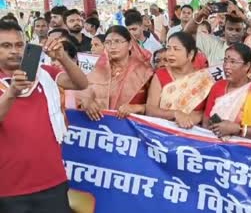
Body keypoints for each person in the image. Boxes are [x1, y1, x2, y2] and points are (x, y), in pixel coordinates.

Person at [0, 21, 88, 212]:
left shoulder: (43, 74)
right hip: (8, 188)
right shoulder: (8, 87)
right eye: (6, 46)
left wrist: (62, 57)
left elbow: (81, 83)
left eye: (19, 45)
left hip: (52, 181)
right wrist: (12, 92)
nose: (14, 51)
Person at [77, 26, 153, 121]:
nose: (112, 46)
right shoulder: (98, 69)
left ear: (129, 45)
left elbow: (156, 106)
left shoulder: (144, 72)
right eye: (108, 43)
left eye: (117, 41)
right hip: (99, 126)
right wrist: (86, 101)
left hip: (132, 127)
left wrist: (137, 108)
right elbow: (83, 93)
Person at [203, 43, 251, 141]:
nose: (227, 66)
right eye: (225, 61)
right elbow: (206, 122)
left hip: (244, 151)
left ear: (247, 66)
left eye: (233, 62)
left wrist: (237, 129)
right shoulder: (218, 86)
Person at [146, 32, 214, 128]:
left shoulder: (205, 80)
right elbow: (150, 110)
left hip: (192, 136)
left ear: (190, 54)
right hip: (162, 133)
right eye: (168, 48)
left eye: (176, 49)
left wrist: (199, 115)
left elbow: (211, 113)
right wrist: (175, 114)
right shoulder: (161, 74)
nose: (170, 53)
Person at [184, 1, 251, 66]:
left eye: (238, 30)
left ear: (244, 30)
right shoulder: (213, 43)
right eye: (230, 29)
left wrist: (243, 17)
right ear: (224, 29)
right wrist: (199, 15)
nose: (233, 33)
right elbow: (186, 35)